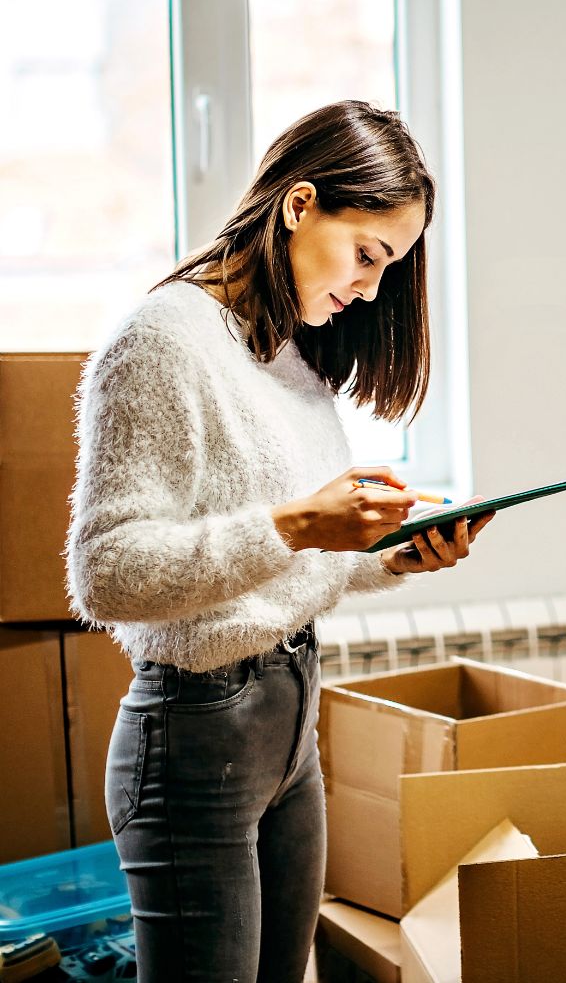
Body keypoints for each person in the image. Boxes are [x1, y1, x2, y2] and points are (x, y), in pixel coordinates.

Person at [64, 100, 493, 982]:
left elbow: (280, 563)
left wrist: (389, 553)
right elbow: (104, 574)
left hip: (290, 723)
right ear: (299, 206)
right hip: (196, 738)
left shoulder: (285, 350)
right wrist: (299, 523)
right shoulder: (161, 341)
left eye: (392, 266)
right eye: (368, 255)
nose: (372, 289)